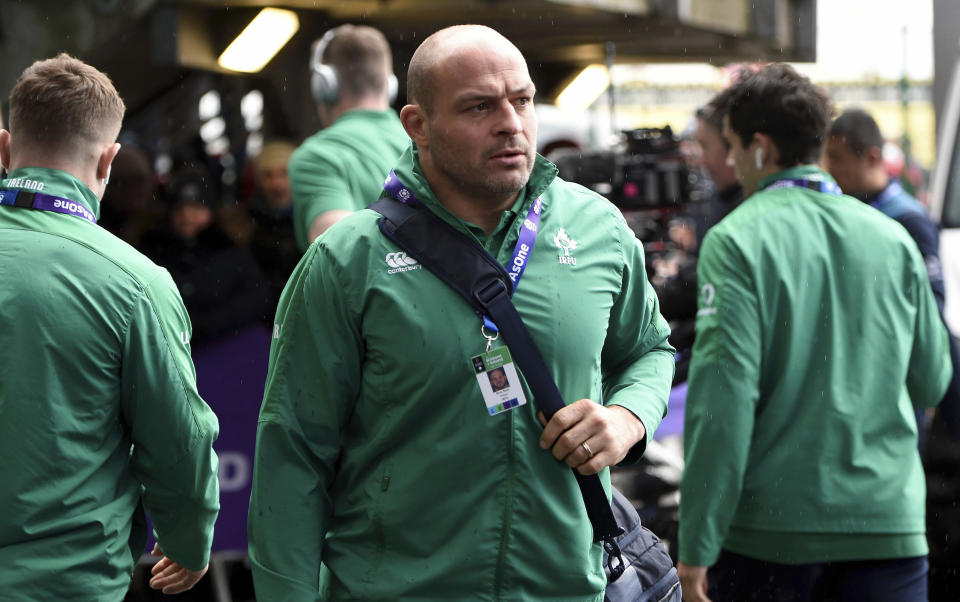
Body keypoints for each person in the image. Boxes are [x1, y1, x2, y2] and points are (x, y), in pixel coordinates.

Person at [248, 24, 675, 600]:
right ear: (417, 125)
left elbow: (648, 350)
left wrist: (629, 419)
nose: (511, 122)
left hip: (565, 587)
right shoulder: (346, 262)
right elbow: (293, 459)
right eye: (479, 106)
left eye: (521, 100)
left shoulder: (596, 227)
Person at [677, 63, 952, 602]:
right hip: (889, 530)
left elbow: (722, 405)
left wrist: (696, 546)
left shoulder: (736, 241)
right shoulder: (892, 238)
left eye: (732, 148)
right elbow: (932, 380)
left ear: (761, 147)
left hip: (773, 541)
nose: (730, 163)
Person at [0, 55, 220, 599]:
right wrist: (188, 540)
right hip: (67, 582)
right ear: (108, 161)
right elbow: (177, 440)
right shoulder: (136, 283)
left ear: (5, 149)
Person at [825, 108, 960, 441]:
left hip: (895, 379)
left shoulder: (908, 219)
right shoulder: (847, 212)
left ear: (871, 157)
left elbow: (931, 311)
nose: (831, 169)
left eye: (838, 158)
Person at [289, 24, 409, 251]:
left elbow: (340, 253)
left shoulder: (317, 156)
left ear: (324, 84)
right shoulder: (423, 143)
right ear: (389, 83)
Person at [247, 140, 300, 317]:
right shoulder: (246, 224)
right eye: (268, 175)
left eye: (284, 173)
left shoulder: (311, 219)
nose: (276, 183)